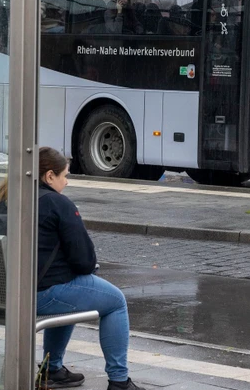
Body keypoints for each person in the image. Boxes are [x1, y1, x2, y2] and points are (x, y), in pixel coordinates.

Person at [36, 147, 145, 390]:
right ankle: (119, 381)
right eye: (65, 176)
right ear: (49, 176)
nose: (67, 181)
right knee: (115, 301)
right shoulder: (58, 203)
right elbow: (84, 260)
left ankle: (52, 370)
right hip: (38, 296)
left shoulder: (7, 197)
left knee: (69, 292)